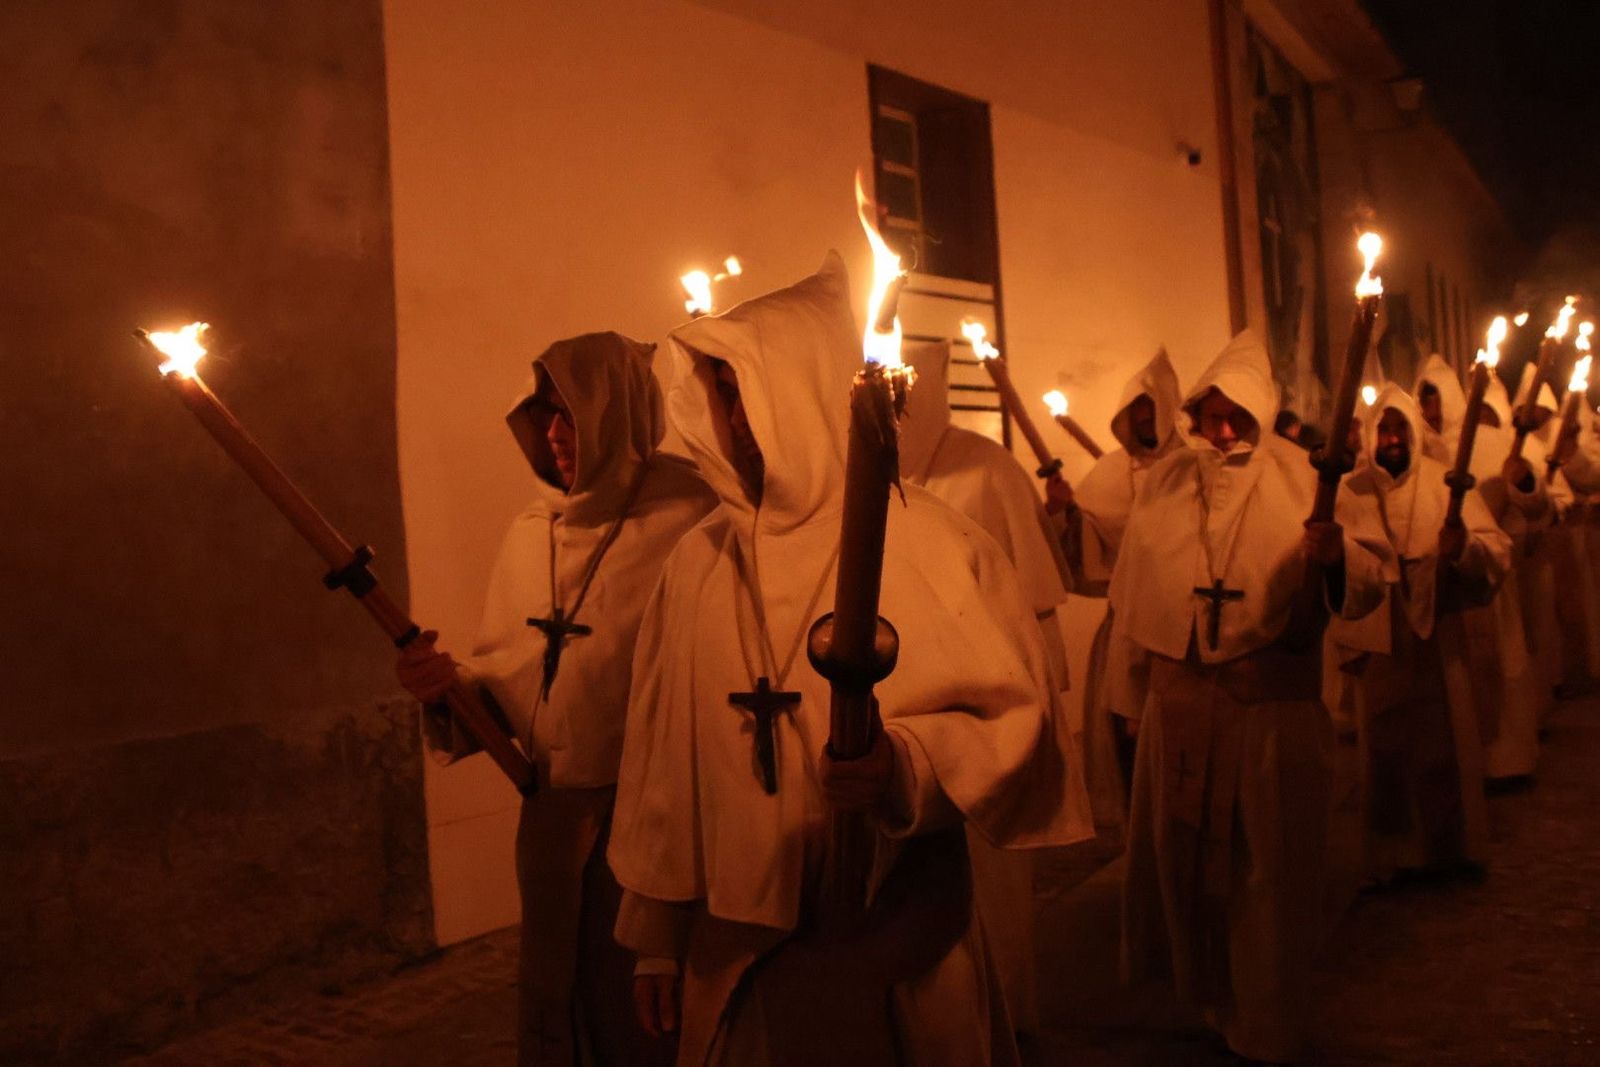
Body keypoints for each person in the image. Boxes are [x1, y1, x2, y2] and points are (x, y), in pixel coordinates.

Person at [607, 253, 1093, 1066]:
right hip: (741, 957)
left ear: (800, 387)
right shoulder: (697, 563)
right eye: (719, 392)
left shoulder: (934, 544)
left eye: (744, 389)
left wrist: (905, 766)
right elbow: (663, 759)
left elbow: (1011, 717)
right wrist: (657, 933)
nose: (732, 417)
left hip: (898, 945)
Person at [395, 332, 714, 1066]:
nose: (555, 433)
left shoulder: (693, 517)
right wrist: (449, 689)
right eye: (543, 412)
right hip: (550, 826)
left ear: (622, 410)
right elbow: (512, 678)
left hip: (654, 826)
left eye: (572, 410)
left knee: (645, 1025)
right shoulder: (529, 532)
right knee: (559, 1006)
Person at [1112, 329, 1391, 1063]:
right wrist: (1131, 696)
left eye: (1238, 415)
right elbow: (1136, 602)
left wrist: (1334, 559)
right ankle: (1211, 1003)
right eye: (1212, 414)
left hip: (1270, 717)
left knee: (1266, 874)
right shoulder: (1166, 483)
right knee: (1184, 863)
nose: (1224, 430)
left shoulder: (1306, 477)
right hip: (1182, 714)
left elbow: (1367, 576)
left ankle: (1267, 1020)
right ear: (1194, 413)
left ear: (1261, 413)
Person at [897, 339, 1076, 1038]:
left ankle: (1012, 1034)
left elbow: (1035, 607)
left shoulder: (986, 470)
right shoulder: (852, 477)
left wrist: (1036, 726)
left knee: (992, 914)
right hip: (901, 733)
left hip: (983, 727)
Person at [1328, 384, 1510, 884]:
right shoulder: (1352, 491)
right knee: (1384, 747)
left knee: (1442, 741)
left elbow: (1497, 551)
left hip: (1438, 638)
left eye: (1398, 429)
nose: (1390, 439)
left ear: (1413, 432)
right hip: (1379, 635)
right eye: (1382, 429)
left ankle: (1447, 851)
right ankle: (1394, 856)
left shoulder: (1445, 482)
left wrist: (1463, 546)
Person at [1043, 348, 1184, 835]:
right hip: (1123, 626)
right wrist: (1065, 513)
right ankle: (1138, 835)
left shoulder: (1193, 466)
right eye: (1136, 412)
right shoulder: (1108, 475)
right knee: (1123, 738)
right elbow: (1083, 551)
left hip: (1178, 632)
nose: (1144, 420)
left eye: (1152, 410)